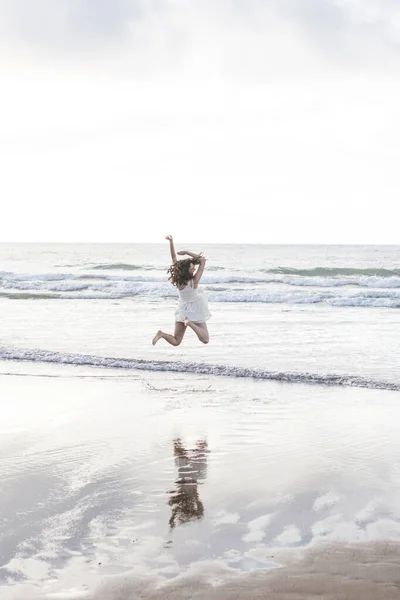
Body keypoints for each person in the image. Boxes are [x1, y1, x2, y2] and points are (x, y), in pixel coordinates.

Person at [152, 235, 211, 346]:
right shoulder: (194, 281)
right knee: (205, 339)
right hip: (195, 308)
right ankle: (190, 324)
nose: (194, 268)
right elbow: (202, 261)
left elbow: (174, 258)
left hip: (183, 309)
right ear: (187, 270)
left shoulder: (178, 280)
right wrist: (187, 253)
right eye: (192, 268)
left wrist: (171, 242)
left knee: (176, 341)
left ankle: (161, 334)